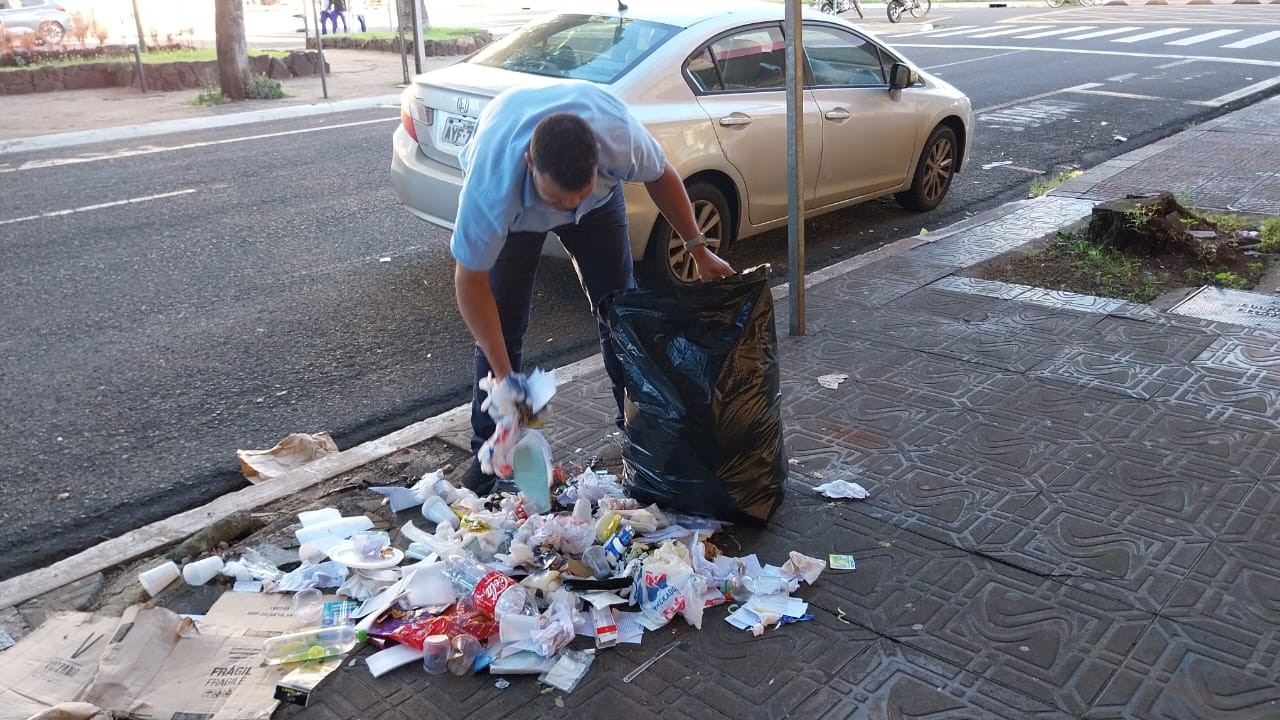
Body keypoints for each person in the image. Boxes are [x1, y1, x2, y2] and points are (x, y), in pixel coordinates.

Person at [451, 80, 735, 493]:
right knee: (503, 326)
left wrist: (697, 248)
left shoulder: (616, 134)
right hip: (518, 221)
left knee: (620, 311)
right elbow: (470, 282)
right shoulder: (492, 188)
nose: (567, 211)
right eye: (558, 200)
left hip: (601, 208)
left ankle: (641, 430)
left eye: (576, 197)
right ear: (530, 162)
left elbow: (663, 176)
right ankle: (492, 454)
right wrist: (507, 380)